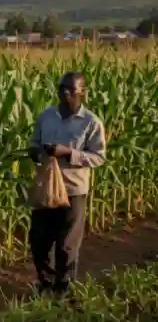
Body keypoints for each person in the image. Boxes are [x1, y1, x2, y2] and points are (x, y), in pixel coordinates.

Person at [27, 71, 106, 296]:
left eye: (72, 90)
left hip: (73, 190)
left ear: (83, 92)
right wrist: (37, 152)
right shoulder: (45, 116)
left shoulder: (91, 122)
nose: (66, 94)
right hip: (47, 189)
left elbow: (98, 157)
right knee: (39, 241)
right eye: (62, 89)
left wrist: (68, 153)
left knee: (67, 245)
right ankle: (45, 283)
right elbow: (34, 143)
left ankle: (64, 290)